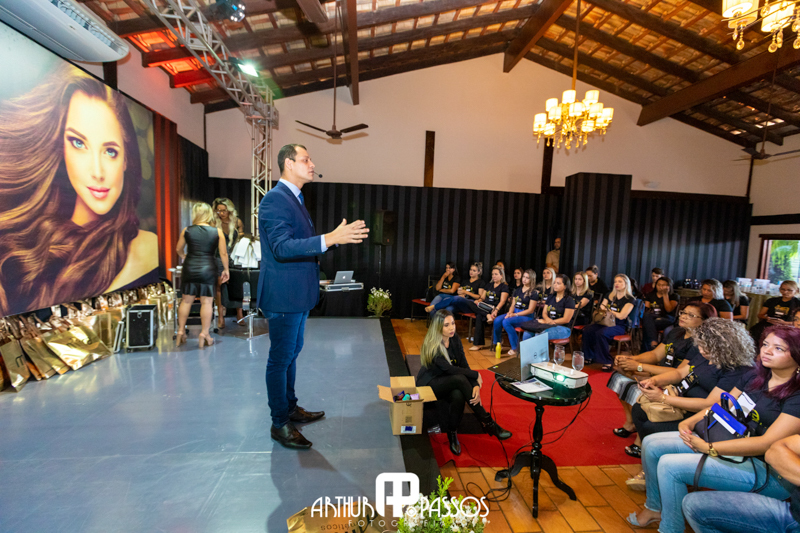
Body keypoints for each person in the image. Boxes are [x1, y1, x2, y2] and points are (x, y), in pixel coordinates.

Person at [0, 64, 158, 316]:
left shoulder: (145, 248)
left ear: (126, 160)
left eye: (110, 151)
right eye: (78, 143)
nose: (97, 171)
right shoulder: (27, 241)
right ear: (60, 148)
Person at [628, 326, 800, 532]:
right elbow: (721, 406)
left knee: (670, 466)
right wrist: (689, 423)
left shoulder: (796, 395)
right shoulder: (755, 376)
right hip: (730, 442)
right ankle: (655, 508)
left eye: (779, 348)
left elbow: (766, 444)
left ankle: (670, 528)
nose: (767, 351)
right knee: (651, 444)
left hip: (766, 469)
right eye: (765, 344)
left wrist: (710, 448)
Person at [258, 144, 369, 450]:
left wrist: (333, 240)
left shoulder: (294, 198)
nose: (312, 164)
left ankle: (290, 408)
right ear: (288, 164)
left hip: (296, 294)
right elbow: (282, 247)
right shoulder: (275, 199)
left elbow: (301, 243)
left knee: (291, 354)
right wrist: (328, 238)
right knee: (280, 359)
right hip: (283, 296)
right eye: (305, 159)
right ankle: (279, 423)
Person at [626, 317, 754, 458]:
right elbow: (680, 373)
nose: (701, 350)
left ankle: (658, 457)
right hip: (681, 401)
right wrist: (654, 380)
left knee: (651, 427)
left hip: (700, 414)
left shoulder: (736, 369)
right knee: (638, 410)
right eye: (700, 345)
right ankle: (647, 453)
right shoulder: (704, 355)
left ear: (723, 348)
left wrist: (663, 398)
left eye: (706, 347)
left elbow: (710, 404)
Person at [609, 302, 716, 445]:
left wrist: (639, 366)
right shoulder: (676, 332)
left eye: (691, 315)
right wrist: (631, 359)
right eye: (683, 312)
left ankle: (640, 438)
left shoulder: (700, 344)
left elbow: (679, 373)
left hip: (673, 381)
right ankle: (631, 422)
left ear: (705, 321)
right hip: (660, 373)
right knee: (619, 375)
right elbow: (655, 355)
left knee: (640, 388)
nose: (684, 316)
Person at [417, 310, 512, 455]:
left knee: (458, 395)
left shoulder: (454, 339)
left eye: (453, 323)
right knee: (459, 379)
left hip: (449, 380)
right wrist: (476, 374)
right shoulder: (432, 345)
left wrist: (475, 386)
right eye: (446, 325)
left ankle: (452, 432)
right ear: (438, 327)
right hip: (430, 382)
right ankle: (488, 422)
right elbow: (449, 369)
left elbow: (463, 365)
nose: (451, 328)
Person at [683, 435, 800, 532]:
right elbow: (774, 452)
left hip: (773, 481)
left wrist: (708, 447)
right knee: (693, 504)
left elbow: (766, 443)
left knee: (674, 468)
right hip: (792, 513)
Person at [175, 203, 229, 347]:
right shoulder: (217, 232)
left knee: (186, 301)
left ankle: (180, 331)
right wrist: (226, 269)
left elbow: (178, 249)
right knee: (207, 302)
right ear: (209, 214)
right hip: (208, 268)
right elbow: (223, 253)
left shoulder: (187, 230)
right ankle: (204, 334)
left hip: (190, 266)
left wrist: (184, 256)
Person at [581, 274, 636, 371]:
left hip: (618, 325)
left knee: (601, 333)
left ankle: (607, 361)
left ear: (626, 284)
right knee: (587, 330)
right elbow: (602, 307)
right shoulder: (609, 295)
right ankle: (589, 356)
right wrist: (610, 311)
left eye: (620, 282)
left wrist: (609, 311)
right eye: (615, 282)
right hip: (605, 321)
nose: (617, 284)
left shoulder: (630, 299)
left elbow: (622, 315)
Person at [213, 198, 243, 329]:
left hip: (235, 257)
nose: (221, 213)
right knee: (219, 286)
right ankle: (220, 315)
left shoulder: (237, 222)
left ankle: (239, 313)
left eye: (224, 210)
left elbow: (242, 240)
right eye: (218, 210)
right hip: (218, 256)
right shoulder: (214, 222)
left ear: (229, 210)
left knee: (237, 285)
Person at [493, 269, 538, 356]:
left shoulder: (534, 292)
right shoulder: (517, 290)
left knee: (506, 322)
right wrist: (509, 313)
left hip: (526, 316)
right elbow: (513, 305)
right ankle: (498, 343)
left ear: (532, 279)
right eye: (524, 277)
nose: (524, 279)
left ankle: (515, 347)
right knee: (497, 320)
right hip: (515, 313)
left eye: (527, 278)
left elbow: (530, 310)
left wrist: (515, 314)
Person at [521, 273, 575, 343]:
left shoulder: (569, 300)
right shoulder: (550, 297)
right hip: (548, 324)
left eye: (558, 283)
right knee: (527, 332)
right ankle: (527, 350)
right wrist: (548, 320)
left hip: (562, 327)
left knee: (540, 334)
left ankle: (539, 351)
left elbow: (566, 319)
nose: (555, 285)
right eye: (554, 283)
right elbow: (544, 313)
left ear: (565, 286)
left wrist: (550, 322)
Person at [469, 266, 509, 350]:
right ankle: (487, 315)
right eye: (492, 274)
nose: (494, 276)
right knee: (473, 306)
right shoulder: (489, 285)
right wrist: (479, 300)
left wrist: (496, 310)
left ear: (501, 275)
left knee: (479, 315)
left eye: (496, 274)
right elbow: (483, 297)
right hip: (485, 307)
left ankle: (479, 344)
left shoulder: (504, 286)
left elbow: (502, 301)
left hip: (496, 309)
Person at [641, 276, 679, 351]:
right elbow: (646, 309)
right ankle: (653, 345)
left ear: (669, 286)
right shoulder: (650, 295)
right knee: (647, 318)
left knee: (647, 324)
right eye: (659, 285)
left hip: (667, 318)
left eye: (663, 285)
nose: (661, 287)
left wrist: (665, 295)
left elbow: (669, 310)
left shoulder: (674, 296)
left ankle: (650, 346)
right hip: (653, 318)